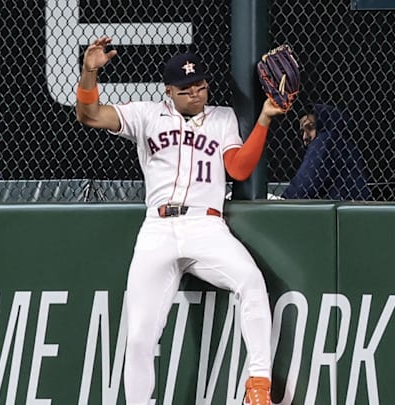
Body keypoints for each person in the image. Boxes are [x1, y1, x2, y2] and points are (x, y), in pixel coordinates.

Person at [75, 36, 286, 405]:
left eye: (202, 87)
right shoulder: (145, 114)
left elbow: (238, 168)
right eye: (187, 90)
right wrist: (89, 72)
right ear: (169, 91)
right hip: (157, 229)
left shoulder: (222, 118)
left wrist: (265, 119)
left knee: (251, 282)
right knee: (139, 334)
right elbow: (89, 115)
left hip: (206, 226)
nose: (197, 94)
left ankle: (258, 387)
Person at [281, 103, 371, 200]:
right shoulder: (344, 145)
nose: (304, 137)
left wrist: (284, 199)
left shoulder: (327, 139)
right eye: (302, 132)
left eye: (310, 128)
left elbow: (304, 185)